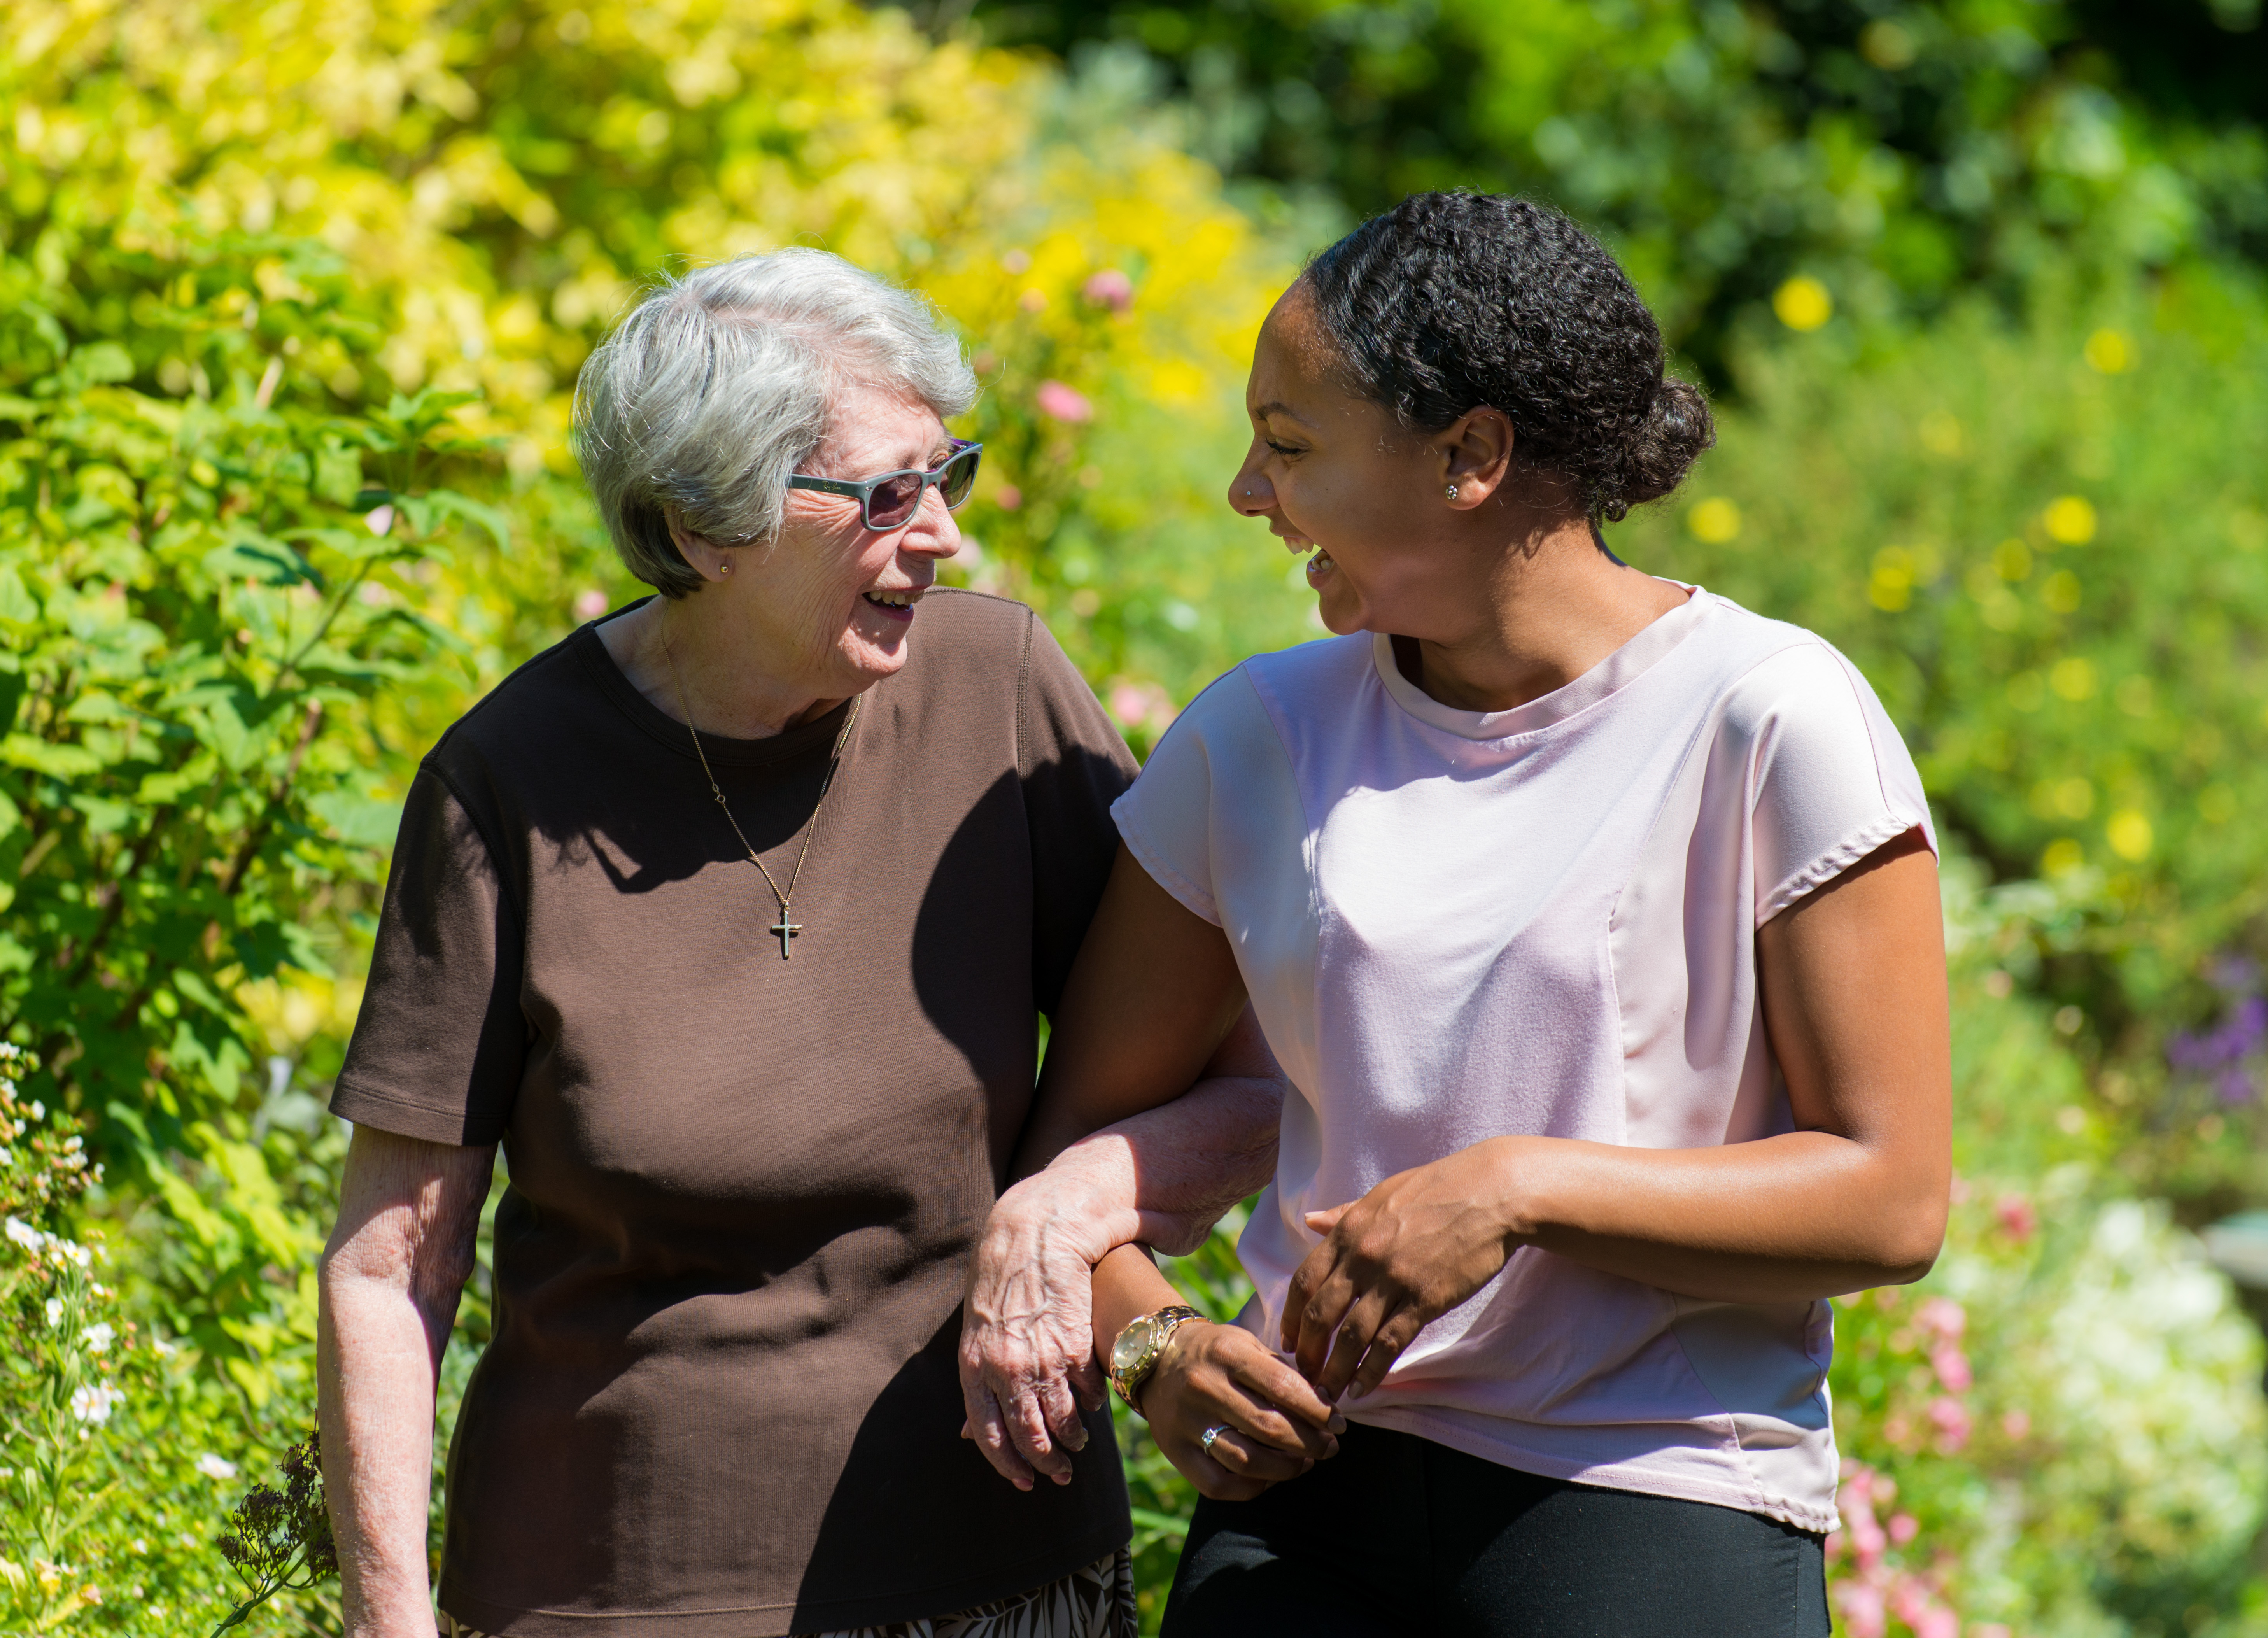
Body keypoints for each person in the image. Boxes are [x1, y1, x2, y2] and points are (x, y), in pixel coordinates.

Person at [961, 191, 1952, 1635]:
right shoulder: (1253, 737)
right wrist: (1157, 1347)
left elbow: (1889, 1199)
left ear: (1470, 454)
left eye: (1290, 446)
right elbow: (1078, 1156)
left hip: (1653, 1494)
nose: (1248, 492)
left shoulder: (1770, 717)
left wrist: (1515, 1189)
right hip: (1301, 1504)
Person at [315, 247, 1281, 1638]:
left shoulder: (998, 696)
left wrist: (1067, 1223)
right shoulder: (510, 785)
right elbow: (389, 1265)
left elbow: (1243, 1074)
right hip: (611, 1593)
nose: (942, 531)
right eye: (887, 492)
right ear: (704, 526)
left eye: (944, 471)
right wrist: (385, 1618)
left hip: (999, 1577)